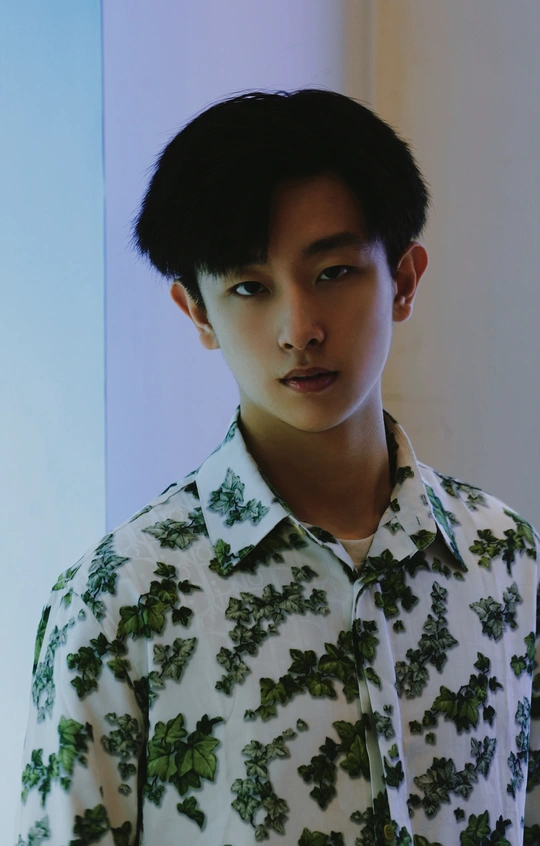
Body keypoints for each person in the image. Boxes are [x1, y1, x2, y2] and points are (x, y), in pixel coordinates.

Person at [15, 88, 540, 846]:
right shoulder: (117, 603)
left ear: (404, 281)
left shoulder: (507, 559)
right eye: (249, 288)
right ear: (197, 313)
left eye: (333, 273)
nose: (299, 329)